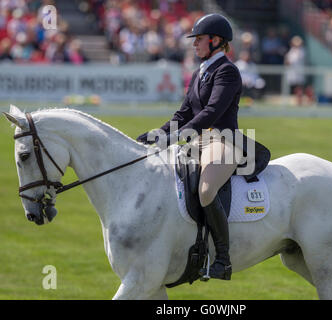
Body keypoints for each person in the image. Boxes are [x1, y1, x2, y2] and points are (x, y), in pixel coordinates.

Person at [136, 13, 243, 281]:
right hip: (198, 142)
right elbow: (183, 113)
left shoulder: (227, 71)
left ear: (216, 41)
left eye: (198, 39)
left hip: (223, 140)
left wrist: (180, 135)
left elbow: (212, 111)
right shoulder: (199, 73)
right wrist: (157, 133)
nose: (194, 44)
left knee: (206, 190)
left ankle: (223, 259)